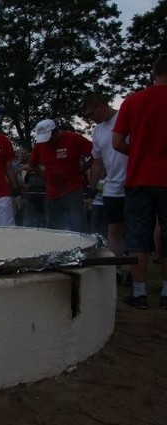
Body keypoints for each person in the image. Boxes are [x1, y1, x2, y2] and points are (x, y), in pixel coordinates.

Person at [112, 54, 167, 310]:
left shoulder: (133, 102)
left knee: (136, 236)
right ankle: (166, 292)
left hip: (138, 178)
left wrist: (137, 153)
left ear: (153, 73)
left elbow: (117, 142)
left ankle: (139, 292)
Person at [83, 93, 128, 283]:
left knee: (135, 230)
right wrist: (91, 191)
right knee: (114, 229)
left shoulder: (125, 120)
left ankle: (134, 272)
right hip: (112, 186)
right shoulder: (98, 131)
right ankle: (116, 269)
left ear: (101, 107)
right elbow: (97, 164)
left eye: (91, 114)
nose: (90, 118)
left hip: (134, 184)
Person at [26, 119, 92, 233]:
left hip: (72, 189)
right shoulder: (40, 145)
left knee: (78, 223)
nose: (47, 142)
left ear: (55, 132)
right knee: (53, 226)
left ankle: (83, 245)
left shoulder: (74, 139)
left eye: (49, 139)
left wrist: (84, 167)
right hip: (52, 191)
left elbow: (95, 153)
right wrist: (42, 173)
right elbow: (32, 163)